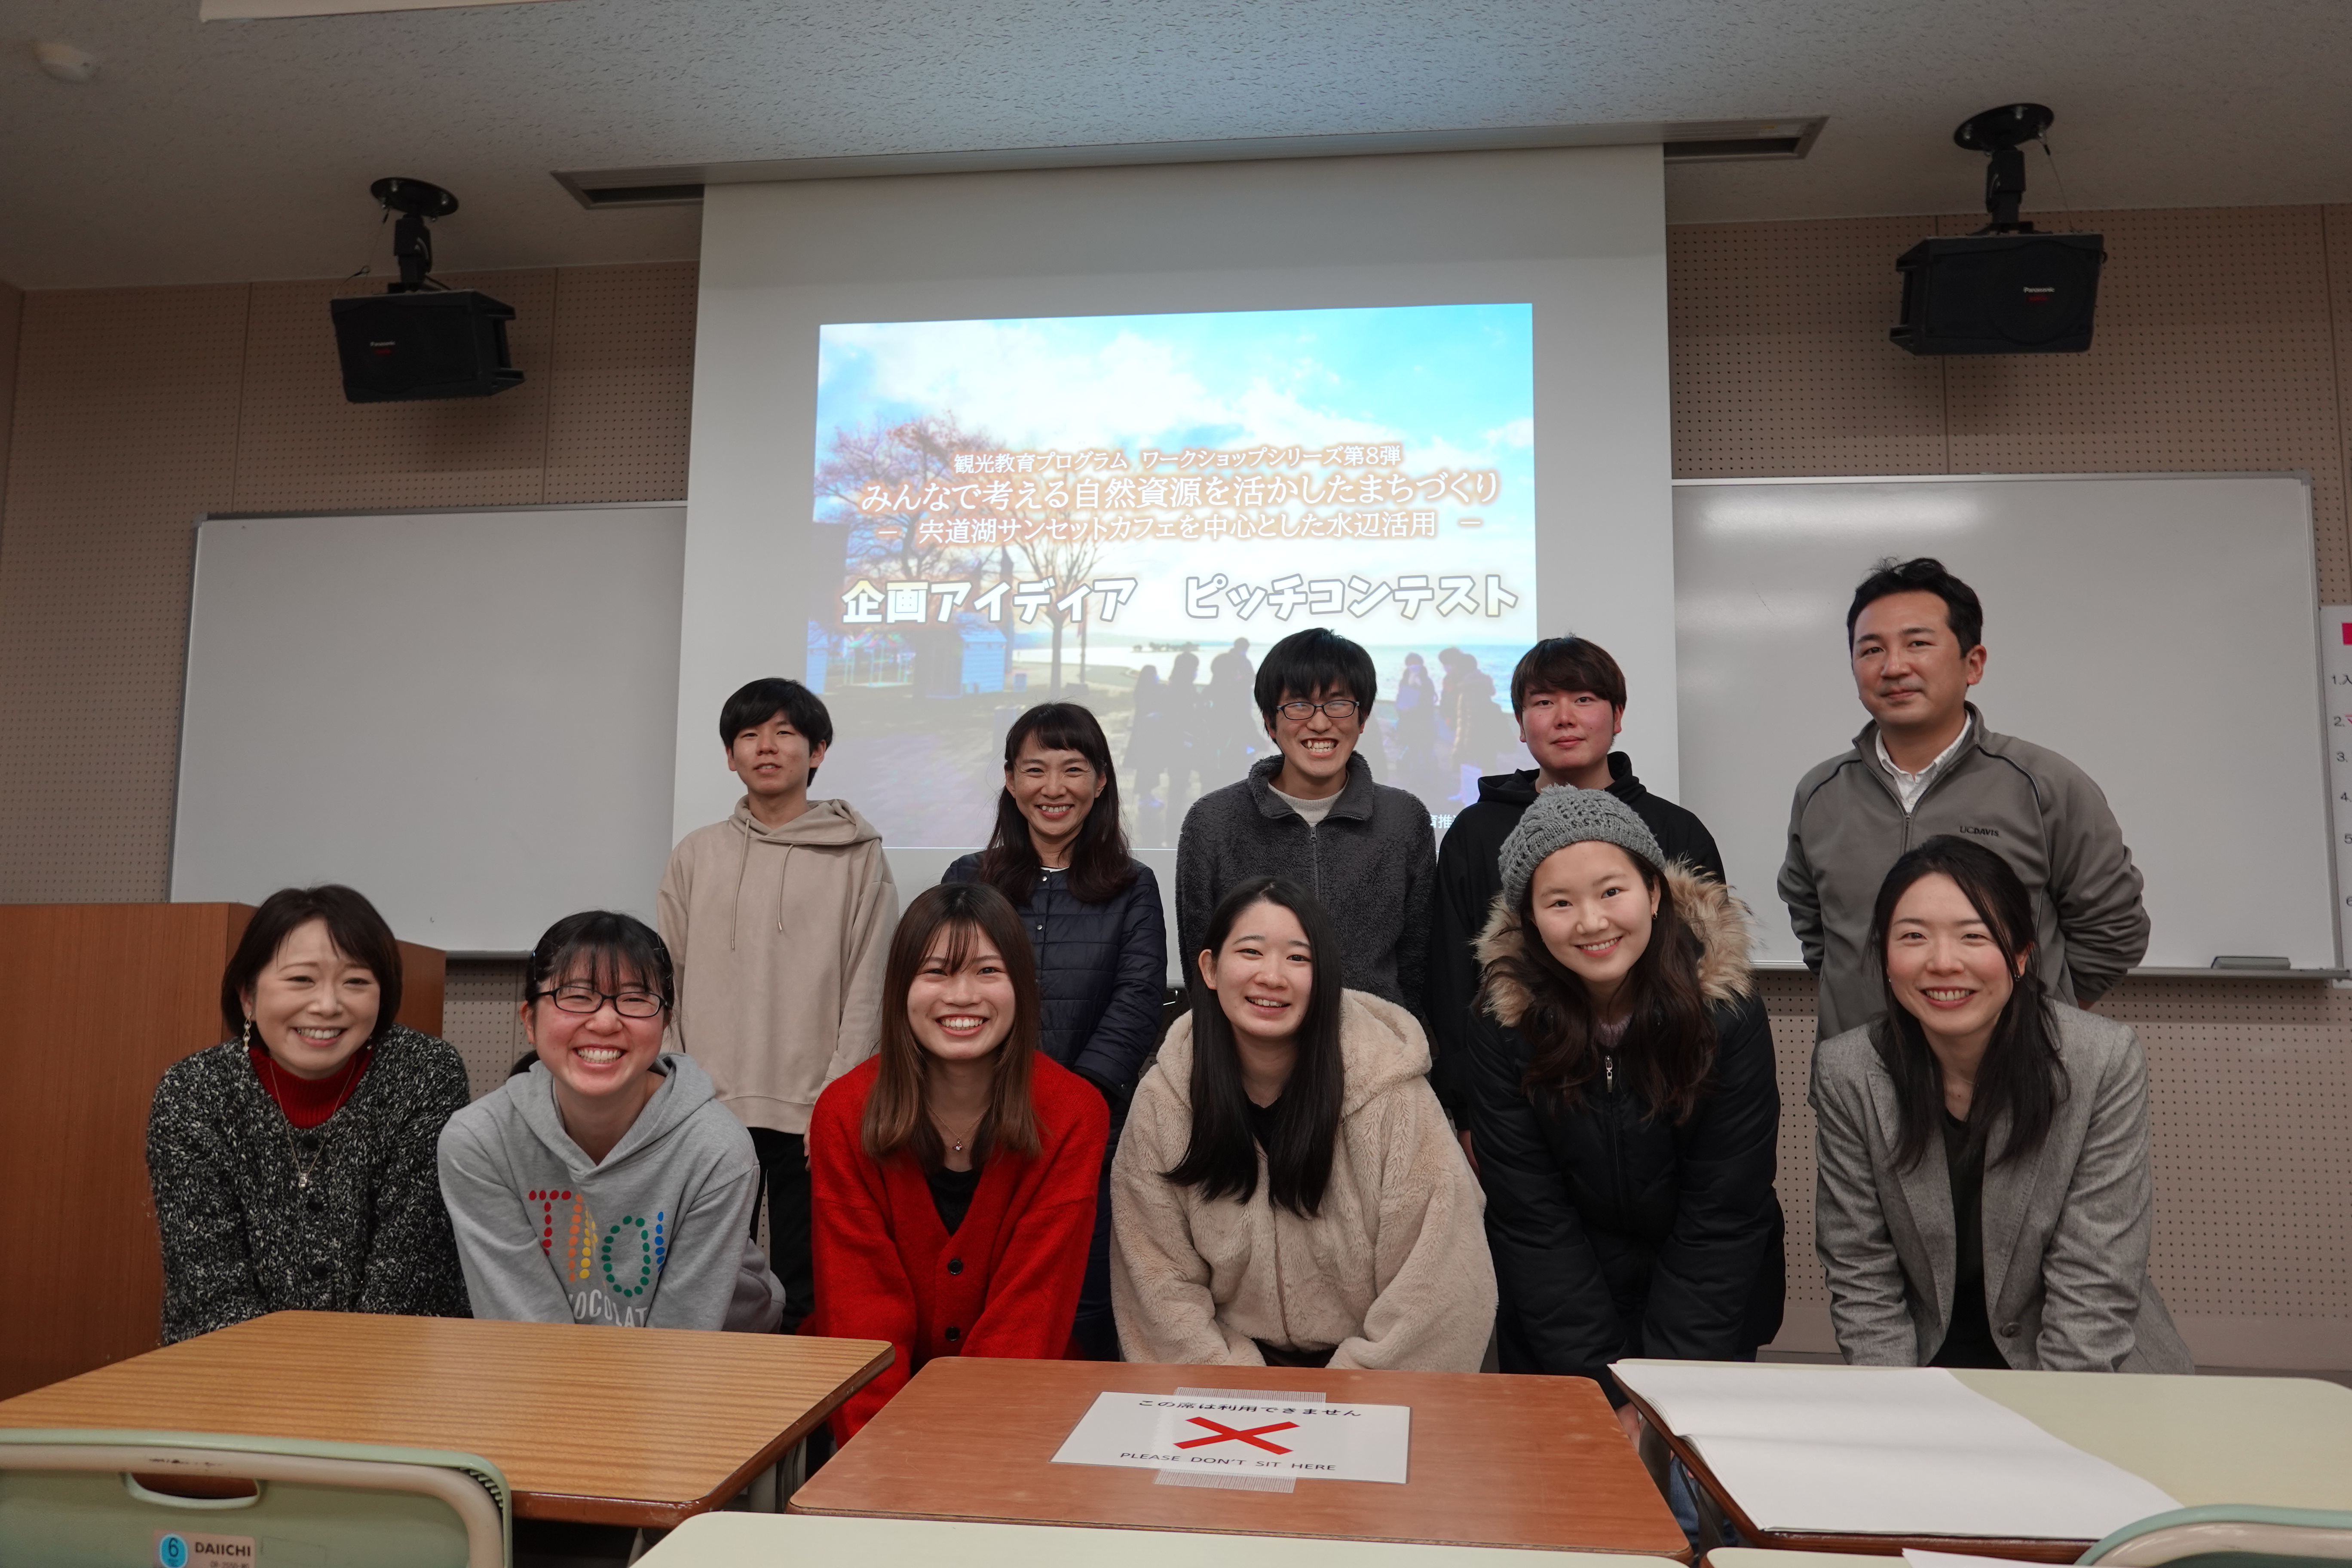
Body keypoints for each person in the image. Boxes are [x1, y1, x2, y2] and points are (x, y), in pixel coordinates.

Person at [1811, 836, 2191, 1371]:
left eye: (1974, 936)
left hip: (2085, 1370)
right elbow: (1862, 1273)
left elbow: (2096, 1282)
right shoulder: (1848, 1071)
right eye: (1914, 937)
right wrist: (1898, 1403)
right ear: (1886, 958)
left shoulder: (2100, 1060)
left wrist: (2048, 1419)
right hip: (1924, 1366)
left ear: (2020, 956)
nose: (1943, 963)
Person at [1468, 788, 1783, 1423]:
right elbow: (1532, 1220)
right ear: (1529, 919)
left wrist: (1658, 1398)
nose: (1592, 922)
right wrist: (1604, 1390)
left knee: (1689, 1483)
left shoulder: (1728, 1013)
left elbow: (1724, 1212)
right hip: (1563, 1333)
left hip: (1708, 1321)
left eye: (1612, 891)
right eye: (1560, 902)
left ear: (1655, 892)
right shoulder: (1502, 1026)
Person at [1112, 876, 1494, 1369]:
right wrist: (1233, 1395)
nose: (1272, 976)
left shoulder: (1394, 1096)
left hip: (1376, 1376)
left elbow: (1441, 1282)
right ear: (1210, 968)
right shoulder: (1165, 1100)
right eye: (1251, 952)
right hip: (1222, 1376)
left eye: (1298, 958)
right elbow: (1157, 1283)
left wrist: (1350, 1395)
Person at [1779, 558, 2149, 1041]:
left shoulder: (2044, 784)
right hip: (1861, 1068)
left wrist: (2040, 1014)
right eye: (1871, 650)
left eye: (1918, 643)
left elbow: (2114, 929)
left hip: (2015, 1070)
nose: (1894, 667)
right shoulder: (1821, 793)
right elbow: (1818, 934)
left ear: (1973, 663)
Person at [807, 882, 1108, 1435]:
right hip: (873, 1417)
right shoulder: (844, 1113)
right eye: (937, 972)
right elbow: (860, 1313)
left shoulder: (1073, 1114)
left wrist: (963, 1454)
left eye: (988, 971)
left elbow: (1030, 1316)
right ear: (901, 988)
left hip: (1017, 1411)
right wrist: (884, 1458)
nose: (963, 995)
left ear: (1022, 987)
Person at [658, 675, 898, 1332]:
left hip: (814, 1107)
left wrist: (838, 1096)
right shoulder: (695, 854)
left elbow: (870, 981)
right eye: (749, 735)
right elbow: (664, 979)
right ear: (729, 756)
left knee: (808, 1288)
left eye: (785, 733)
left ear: (817, 751)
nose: (766, 747)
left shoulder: (858, 855)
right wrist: (680, 1089)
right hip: (707, 1108)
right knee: (704, 1282)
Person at [1429, 636, 1727, 1139]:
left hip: (1661, 1091)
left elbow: (1712, 972)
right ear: (1521, 723)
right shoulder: (1475, 833)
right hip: (1515, 1098)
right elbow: (1451, 978)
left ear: (1618, 714)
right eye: (1544, 702)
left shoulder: (1676, 830)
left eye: (1584, 699)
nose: (1564, 718)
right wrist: (1469, 1111)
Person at [147, 885, 471, 1344]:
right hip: (230, 1364)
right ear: (248, 996)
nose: (327, 1005)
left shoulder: (424, 1074)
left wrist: (343, 1379)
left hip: (394, 1362)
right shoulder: (195, 1092)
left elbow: (407, 1281)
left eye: (356, 982)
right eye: (301, 980)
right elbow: (211, 1293)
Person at [943, 701, 1167, 1358]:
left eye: (1073, 769)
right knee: (982, 1295)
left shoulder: (1133, 885)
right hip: (978, 1123)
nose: (1054, 788)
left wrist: (1073, 1103)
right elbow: (951, 994)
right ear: (1011, 780)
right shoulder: (970, 878)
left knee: (1083, 1302)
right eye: (1035, 769)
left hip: (1090, 1131)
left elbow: (1138, 997)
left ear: (1101, 781)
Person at [438, 911, 785, 1331]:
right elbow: (528, 1333)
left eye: (635, 999)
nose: (605, 1022)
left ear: (665, 1024)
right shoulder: (480, 1142)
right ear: (530, 1020)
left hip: (720, 1354)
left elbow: (680, 1338)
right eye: (575, 996)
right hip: (544, 1361)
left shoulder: (716, 1149)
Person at [1176, 626, 1436, 1017]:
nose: (1319, 724)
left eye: (1338, 704)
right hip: (1252, 1046)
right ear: (1270, 722)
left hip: (1377, 1046)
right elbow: (1202, 965)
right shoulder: (1213, 821)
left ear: (1363, 718)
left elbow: (1417, 965)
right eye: (1298, 705)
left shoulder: (1404, 819)